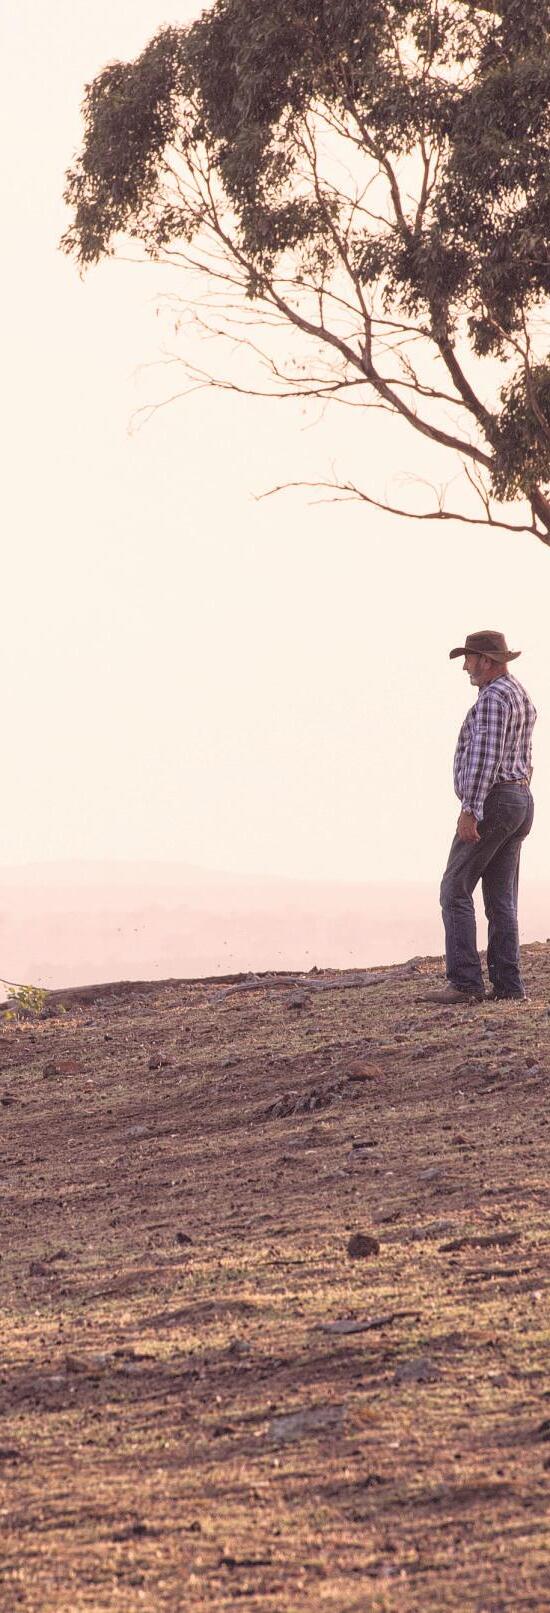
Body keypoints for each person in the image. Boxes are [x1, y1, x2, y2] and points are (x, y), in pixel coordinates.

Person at [431, 630, 536, 1005]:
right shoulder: (518, 692)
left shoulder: (492, 698)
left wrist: (470, 810)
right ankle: (508, 987)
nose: (465, 667)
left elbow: (484, 759)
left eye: (470, 659)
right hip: (519, 798)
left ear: (487, 661)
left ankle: (464, 984)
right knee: (501, 898)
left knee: (454, 889)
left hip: (494, 801)